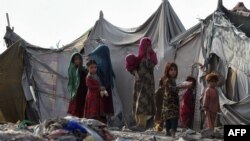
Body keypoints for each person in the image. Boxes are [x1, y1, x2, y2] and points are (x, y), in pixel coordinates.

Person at [125, 37, 158, 131]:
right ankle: (139, 124)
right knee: (138, 104)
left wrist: (148, 55)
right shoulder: (139, 58)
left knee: (144, 105)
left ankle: (142, 125)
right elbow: (130, 66)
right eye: (147, 46)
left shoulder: (152, 57)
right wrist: (135, 73)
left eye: (150, 46)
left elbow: (150, 66)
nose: (149, 47)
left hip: (147, 86)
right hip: (139, 86)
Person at [161, 62, 192, 138]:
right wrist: (182, 86)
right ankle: (171, 133)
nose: (173, 71)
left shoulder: (172, 80)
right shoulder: (168, 80)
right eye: (171, 70)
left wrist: (182, 86)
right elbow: (172, 89)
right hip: (170, 104)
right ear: (167, 71)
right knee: (172, 118)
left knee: (170, 118)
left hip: (172, 103)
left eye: (175, 70)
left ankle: (169, 132)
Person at [88, 45, 116, 123]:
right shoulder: (106, 60)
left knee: (103, 104)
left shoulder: (102, 62)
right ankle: (106, 120)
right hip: (106, 87)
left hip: (102, 87)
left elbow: (101, 73)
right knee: (106, 103)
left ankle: (103, 121)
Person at [67, 52, 88, 118]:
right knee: (76, 112)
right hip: (76, 92)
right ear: (73, 60)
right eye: (76, 59)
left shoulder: (84, 69)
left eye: (79, 59)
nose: (78, 61)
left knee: (83, 110)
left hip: (84, 91)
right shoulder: (72, 70)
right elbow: (72, 83)